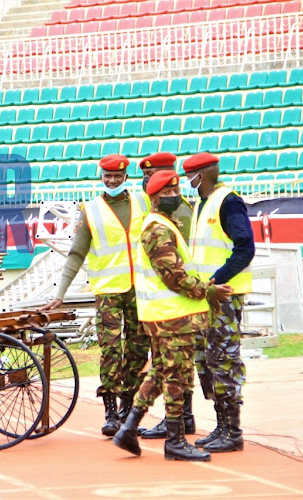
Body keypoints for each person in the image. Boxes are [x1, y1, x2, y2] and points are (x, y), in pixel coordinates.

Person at [113, 170, 233, 461]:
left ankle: (128, 428)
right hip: (170, 318)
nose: (173, 196)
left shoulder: (165, 224)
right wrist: (209, 291)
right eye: (165, 194)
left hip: (168, 316)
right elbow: (175, 278)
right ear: (153, 198)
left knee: (160, 372)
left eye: (175, 191)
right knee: (176, 377)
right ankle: (176, 441)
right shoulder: (157, 229)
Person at [40, 154, 151, 437]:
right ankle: (111, 411)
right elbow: (76, 253)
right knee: (111, 350)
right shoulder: (90, 210)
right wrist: (60, 293)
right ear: (101, 177)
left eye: (117, 176)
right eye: (107, 177)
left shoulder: (142, 202)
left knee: (138, 349)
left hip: (141, 289)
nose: (112, 181)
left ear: (126, 176)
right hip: (108, 291)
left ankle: (128, 407)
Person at [182, 152, 255, 453]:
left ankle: (232, 430)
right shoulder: (201, 204)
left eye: (191, 175)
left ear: (203, 175)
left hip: (224, 295)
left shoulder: (228, 201)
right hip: (204, 297)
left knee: (224, 361)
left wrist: (217, 279)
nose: (188, 180)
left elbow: (245, 248)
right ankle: (220, 425)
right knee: (207, 361)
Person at [138, 151, 197, 440]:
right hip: (171, 306)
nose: (171, 193)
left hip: (180, 304)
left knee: (175, 369)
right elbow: (169, 269)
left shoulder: (180, 212)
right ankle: (176, 428)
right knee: (171, 369)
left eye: (174, 187)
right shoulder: (159, 220)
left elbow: (178, 262)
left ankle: (181, 419)